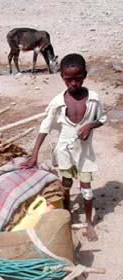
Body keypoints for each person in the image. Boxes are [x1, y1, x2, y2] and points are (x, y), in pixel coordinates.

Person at [20, 53, 106, 241]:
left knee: (87, 189)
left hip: (84, 153)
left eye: (78, 78)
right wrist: (34, 155)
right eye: (69, 80)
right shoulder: (58, 102)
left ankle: (89, 223)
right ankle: (66, 215)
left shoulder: (93, 99)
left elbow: (102, 119)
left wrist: (90, 125)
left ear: (85, 75)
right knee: (65, 185)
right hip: (64, 152)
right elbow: (45, 127)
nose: (74, 83)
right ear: (62, 77)